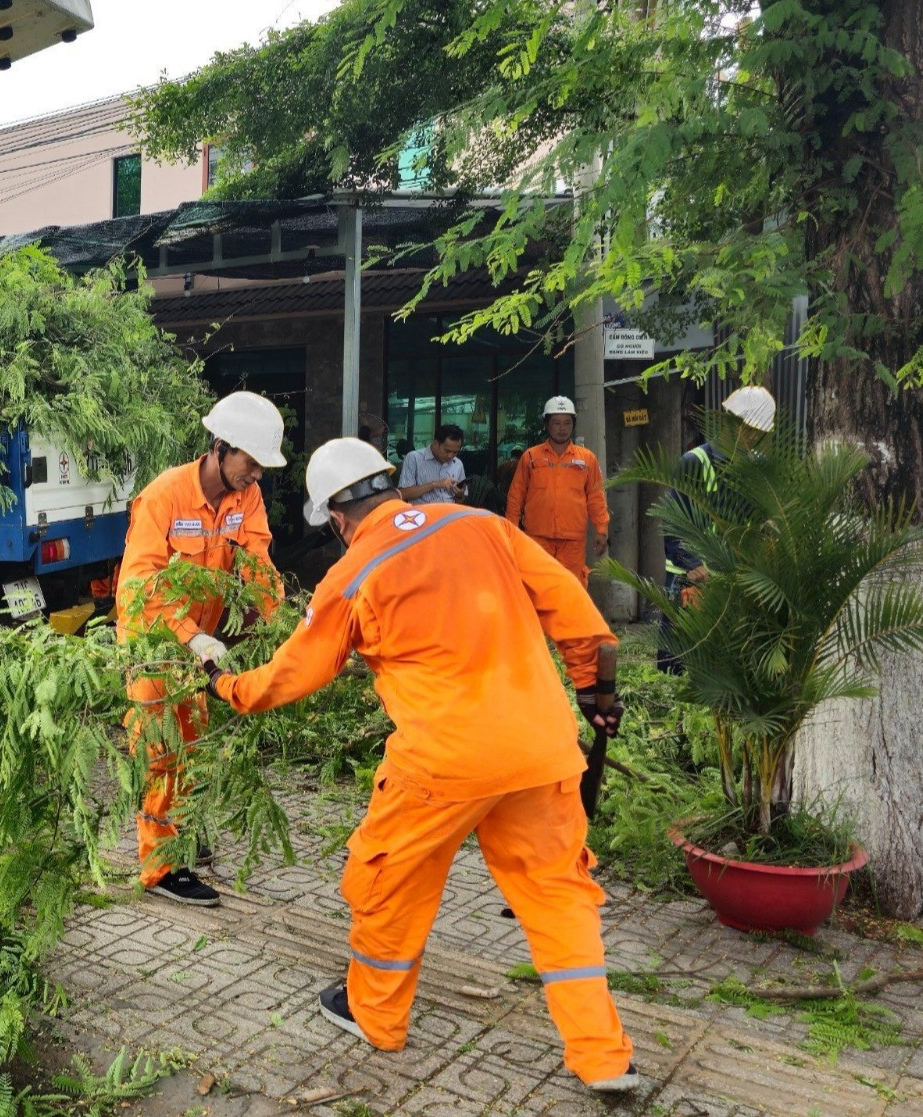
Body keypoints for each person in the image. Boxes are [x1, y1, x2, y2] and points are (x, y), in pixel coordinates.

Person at [209, 438, 638, 1095]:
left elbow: (293, 674)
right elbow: (573, 609)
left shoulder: (353, 571)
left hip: (443, 761)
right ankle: (604, 1058)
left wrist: (226, 685)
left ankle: (376, 1015)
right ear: (390, 484)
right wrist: (593, 689)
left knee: (388, 880)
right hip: (540, 748)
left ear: (337, 518)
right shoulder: (484, 523)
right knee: (559, 898)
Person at [115, 391, 286, 906]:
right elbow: (141, 581)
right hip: (154, 639)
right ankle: (160, 868)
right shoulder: (164, 495)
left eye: (260, 467)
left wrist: (284, 626)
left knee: (194, 742)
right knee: (163, 747)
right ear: (220, 447)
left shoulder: (245, 497)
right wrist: (191, 637)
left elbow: (257, 559)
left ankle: (180, 829)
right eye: (249, 462)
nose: (255, 474)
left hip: (202, 643)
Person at [658, 385, 776, 673]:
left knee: (726, 665)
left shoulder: (758, 468)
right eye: (748, 428)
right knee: (680, 662)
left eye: (757, 431)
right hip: (691, 579)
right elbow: (675, 519)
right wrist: (692, 564)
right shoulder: (695, 462)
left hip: (735, 577)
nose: (752, 437)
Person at [504, 396, 609, 586]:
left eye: (567, 423)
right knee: (537, 586)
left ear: (573, 424)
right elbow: (516, 496)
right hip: (537, 537)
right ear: (547, 425)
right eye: (556, 423)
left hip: (573, 540)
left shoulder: (587, 459)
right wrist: (511, 529)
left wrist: (601, 529)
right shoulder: (530, 458)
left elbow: (596, 497)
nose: (562, 428)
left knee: (571, 587)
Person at [398, 424, 468, 505]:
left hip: (450, 513)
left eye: (455, 452)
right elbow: (403, 494)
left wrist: (459, 495)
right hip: (425, 514)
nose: (450, 456)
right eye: (447, 451)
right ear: (436, 443)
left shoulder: (458, 464)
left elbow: (459, 503)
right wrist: (434, 484)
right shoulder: (414, 458)